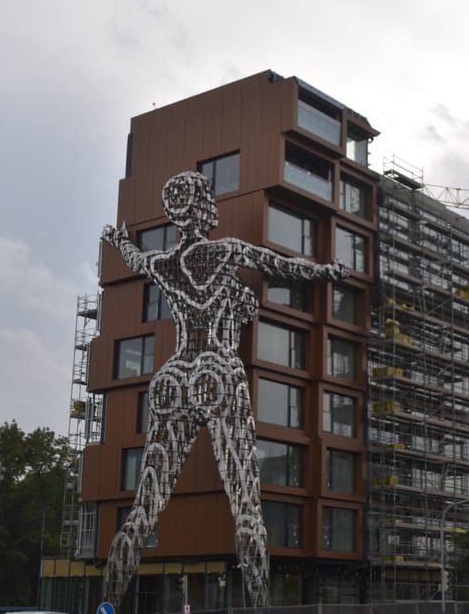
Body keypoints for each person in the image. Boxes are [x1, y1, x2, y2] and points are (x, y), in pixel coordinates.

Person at [101, 171, 348, 607]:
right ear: (203, 208)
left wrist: (119, 242)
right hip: (217, 370)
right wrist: (327, 271)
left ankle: (106, 605)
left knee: (143, 509)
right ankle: (260, 604)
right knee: (247, 510)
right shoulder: (224, 251)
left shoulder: (163, 264)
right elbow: (281, 265)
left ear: (174, 214)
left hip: (174, 375)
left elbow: (136, 263)